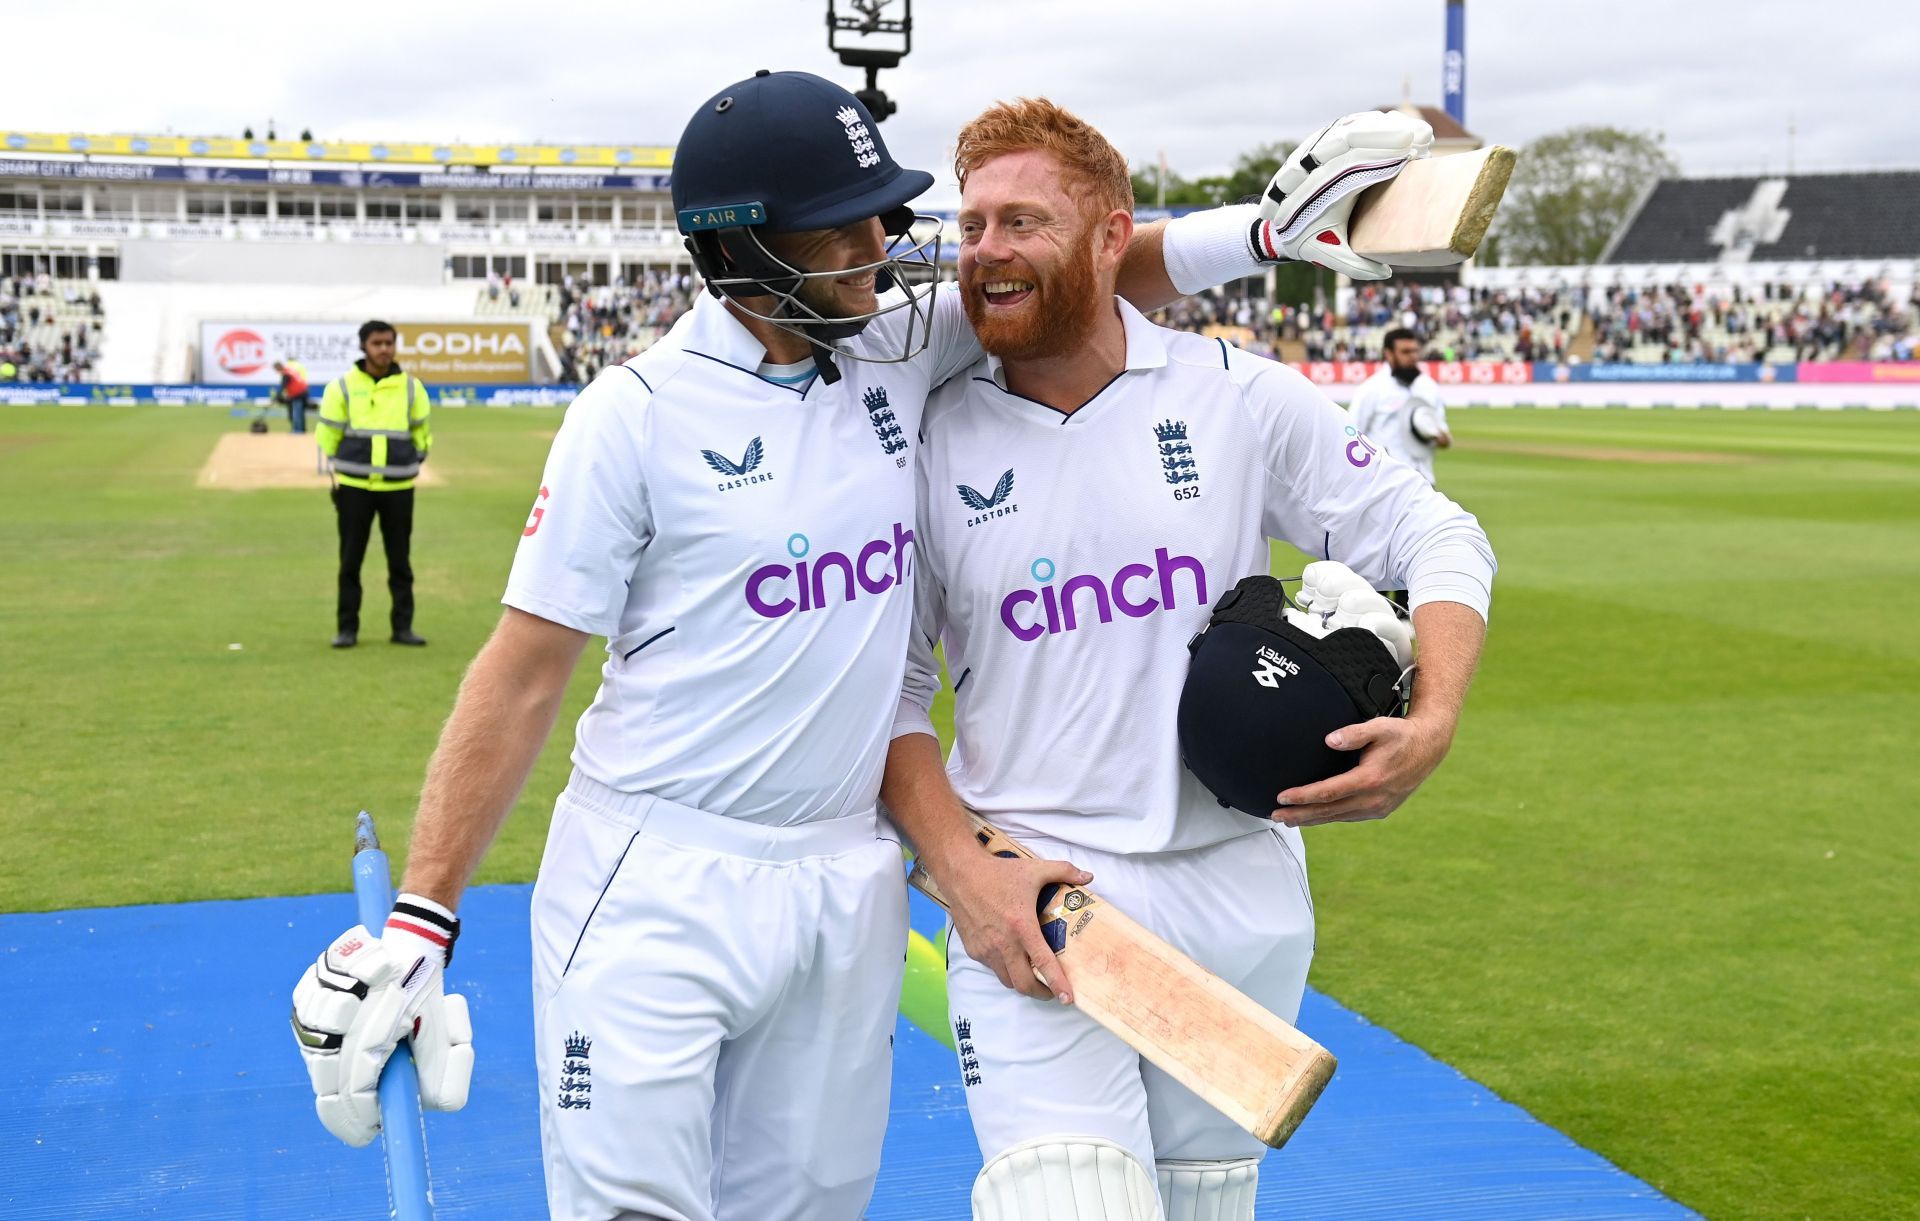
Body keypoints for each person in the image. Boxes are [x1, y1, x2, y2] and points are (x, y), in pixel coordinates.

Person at [288, 70, 1422, 1221]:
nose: (884, 249)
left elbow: (1063, 264)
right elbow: (524, 677)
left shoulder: (889, 344)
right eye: (847, 228)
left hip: (845, 883)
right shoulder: (633, 418)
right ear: (744, 247)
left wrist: (1264, 235)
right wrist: (424, 921)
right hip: (658, 873)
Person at [879, 100, 1493, 1221]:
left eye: (1023, 221)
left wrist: (1436, 713)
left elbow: (1439, 535)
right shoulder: (923, 437)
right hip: (1042, 893)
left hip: (1241, 896)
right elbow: (891, 696)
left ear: (1116, 236)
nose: (985, 252)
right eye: (970, 227)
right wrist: (966, 872)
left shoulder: (1234, 394)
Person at [315, 321, 431, 648]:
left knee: (400, 562)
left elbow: (423, 433)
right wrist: (343, 465)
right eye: (377, 343)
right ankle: (347, 629)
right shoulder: (342, 386)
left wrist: (412, 460)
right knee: (350, 561)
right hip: (354, 487)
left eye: (389, 343)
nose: (384, 349)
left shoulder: (411, 387)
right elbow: (327, 434)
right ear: (364, 346)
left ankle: (403, 628)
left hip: (398, 489)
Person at [1347, 326, 1451, 484]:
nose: (1413, 357)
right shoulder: (1371, 389)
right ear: (1388, 354)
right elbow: (1352, 436)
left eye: (1415, 351)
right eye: (1405, 352)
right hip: (1386, 486)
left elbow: (1443, 433)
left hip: (1424, 482)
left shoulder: (1428, 386)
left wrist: (1438, 435)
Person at [273, 357, 311, 434]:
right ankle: (301, 429)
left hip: (298, 394)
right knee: (299, 413)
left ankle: (298, 430)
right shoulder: (289, 371)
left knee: (296, 413)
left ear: (278, 368)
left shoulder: (286, 374)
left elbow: (283, 386)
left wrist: (277, 396)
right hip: (303, 392)